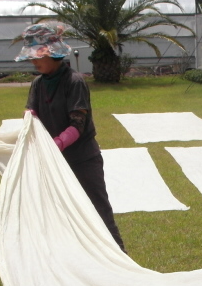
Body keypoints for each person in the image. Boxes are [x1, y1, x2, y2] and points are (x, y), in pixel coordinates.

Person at [15, 23, 125, 251]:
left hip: (82, 158)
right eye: (32, 57)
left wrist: (55, 144)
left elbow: (78, 124)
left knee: (97, 207)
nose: (34, 62)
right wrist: (29, 121)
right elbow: (31, 114)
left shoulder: (74, 81)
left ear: (54, 54)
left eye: (39, 56)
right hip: (52, 161)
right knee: (60, 211)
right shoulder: (37, 84)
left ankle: (119, 254)